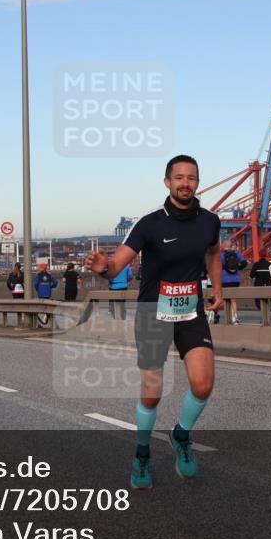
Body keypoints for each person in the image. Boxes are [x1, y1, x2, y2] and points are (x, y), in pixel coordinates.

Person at [85, 154, 221, 489]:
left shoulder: (209, 221)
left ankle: (180, 436)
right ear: (167, 182)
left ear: (197, 183)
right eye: (178, 178)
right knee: (152, 392)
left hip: (190, 311)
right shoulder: (150, 224)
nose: (185, 183)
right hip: (152, 313)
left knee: (203, 384)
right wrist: (103, 267)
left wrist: (216, 287)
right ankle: (142, 454)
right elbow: (116, 267)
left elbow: (214, 253)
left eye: (191, 178)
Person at [219, 240, 247, 324]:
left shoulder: (221, 254)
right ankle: (235, 317)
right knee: (233, 299)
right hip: (236, 279)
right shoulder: (237, 253)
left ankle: (228, 318)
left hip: (225, 279)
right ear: (231, 246)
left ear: (223, 246)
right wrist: (237, 269)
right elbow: (244, 263)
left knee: (226, 299)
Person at [249, 247, 271, 316]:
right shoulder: (270, 264)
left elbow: (251, 276)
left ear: (259, 255)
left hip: (258, 285)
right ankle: (266, 314)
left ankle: (264, 314)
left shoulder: (256, 265)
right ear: (266, 255)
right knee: (265, 300)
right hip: (268, 285)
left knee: (258, 302)